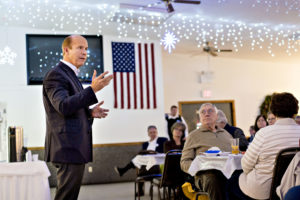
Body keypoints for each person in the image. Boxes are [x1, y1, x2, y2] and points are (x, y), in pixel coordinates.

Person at [43, 35, 113, 200]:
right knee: (66, 197)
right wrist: (92, 90)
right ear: (66, 50)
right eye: (80, 47)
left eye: (86, 49)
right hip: (67, 147)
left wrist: (89, 113)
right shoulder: (56, 74)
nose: (84, 52)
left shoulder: (71, 75)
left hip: (73, 147)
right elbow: (63, 106)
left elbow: (71, 107)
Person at [227, 92, 300, 200]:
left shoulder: (264, 133)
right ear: (295, 111)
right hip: (291, 187)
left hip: (264, 191)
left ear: (274, 112)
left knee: (231, 183)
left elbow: (246, 166)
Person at [180, 103, 232, 200]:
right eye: (203, 112)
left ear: (216, 116)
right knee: (213, 179)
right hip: (205, 174)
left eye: (210, 111)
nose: (206, 114)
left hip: (229, 171)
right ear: (200, 117)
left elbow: (235, 154)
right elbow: (184, 162)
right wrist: (200, 165)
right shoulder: (193, 136)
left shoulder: (225, 134)